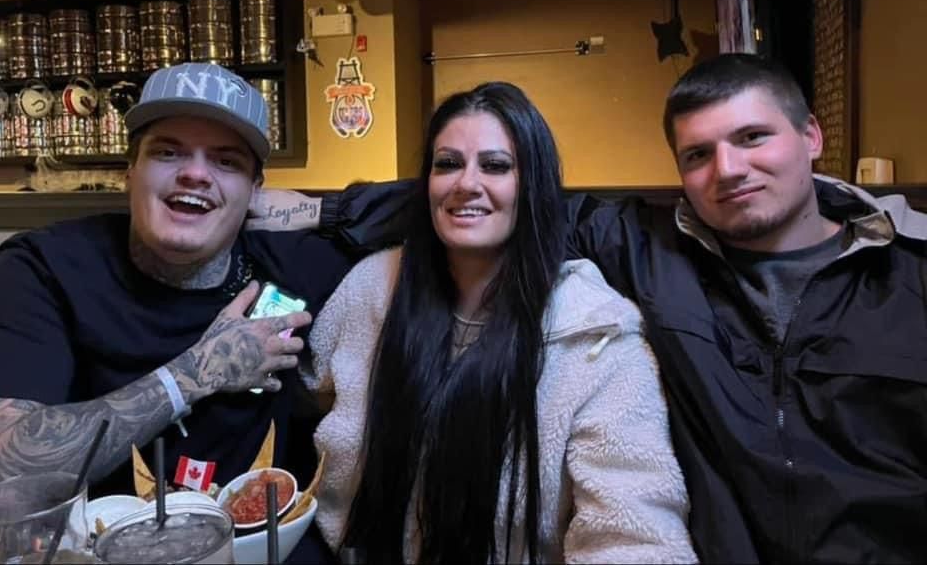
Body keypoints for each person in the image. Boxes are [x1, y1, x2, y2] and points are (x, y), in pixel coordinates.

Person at [249, 54, 927, 563]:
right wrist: (276, 207)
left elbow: (631, 523)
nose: (727, 169)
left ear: (810, 136)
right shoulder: (651, 247)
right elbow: (472, 205)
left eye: (752, 138)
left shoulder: (911, 278)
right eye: (697, 153)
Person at [0, 63, 391, 560]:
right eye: (168, 152)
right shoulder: (48, 267)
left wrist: (317, 209)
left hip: (272, 547)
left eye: (227, 161)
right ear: (130, 171)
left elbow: (448, 199)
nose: (195, 173)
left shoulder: (295, 262)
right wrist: (193, 375)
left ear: (256, 192)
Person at [298, 82, 696, 564]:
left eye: (495, 165)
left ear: (532, 186)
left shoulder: (596, 337)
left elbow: (634, 534)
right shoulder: (370, 288)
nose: (466, 183)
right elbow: (302, 407)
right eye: (447, 164)